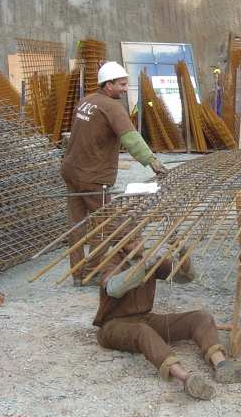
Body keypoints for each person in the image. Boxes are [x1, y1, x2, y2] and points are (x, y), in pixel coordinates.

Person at [93, 250, 241, 400]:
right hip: (113, 325)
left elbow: (184, 277)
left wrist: (183, 254)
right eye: (132, 237)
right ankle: (185, 378)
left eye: (139, 235)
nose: (138, 239)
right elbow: (114, 288)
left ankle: (221, 365)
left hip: (144, 318)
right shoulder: (112, 259)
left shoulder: (146, 255)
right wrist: (144, 265)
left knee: (200, 317)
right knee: (142, 331)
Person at [60, 62, 168, 286]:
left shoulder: (86, 101)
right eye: (121, 84)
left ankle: (78, 275)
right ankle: (100, 270)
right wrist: (154, 163)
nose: (125, 88)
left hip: (71, 170)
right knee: (107, 225)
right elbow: (131, 138)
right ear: (108, 85)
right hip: (92, 176)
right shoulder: (112, 107)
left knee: (77, 225)